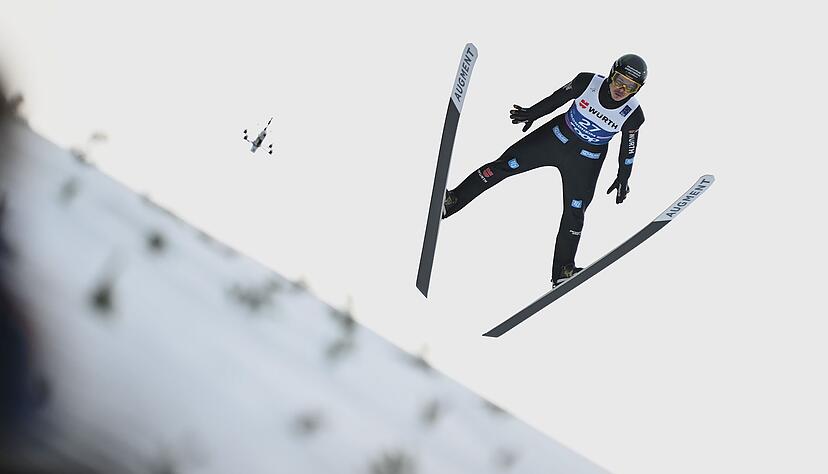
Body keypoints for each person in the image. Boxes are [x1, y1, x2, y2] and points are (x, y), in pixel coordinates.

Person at [442, 54, 647, 287]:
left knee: (575, 212)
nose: (622, 89)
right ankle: (452, 201)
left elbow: (629, 148)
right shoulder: (586, 82)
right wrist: (532, 113)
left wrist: (624, 176)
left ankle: (562, 270)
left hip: (586, 161)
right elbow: (556, 99)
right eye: (620, 80)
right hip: (554, 139)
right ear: (612, 73)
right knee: (503, 166)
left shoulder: (633, 115)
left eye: (631, 86)